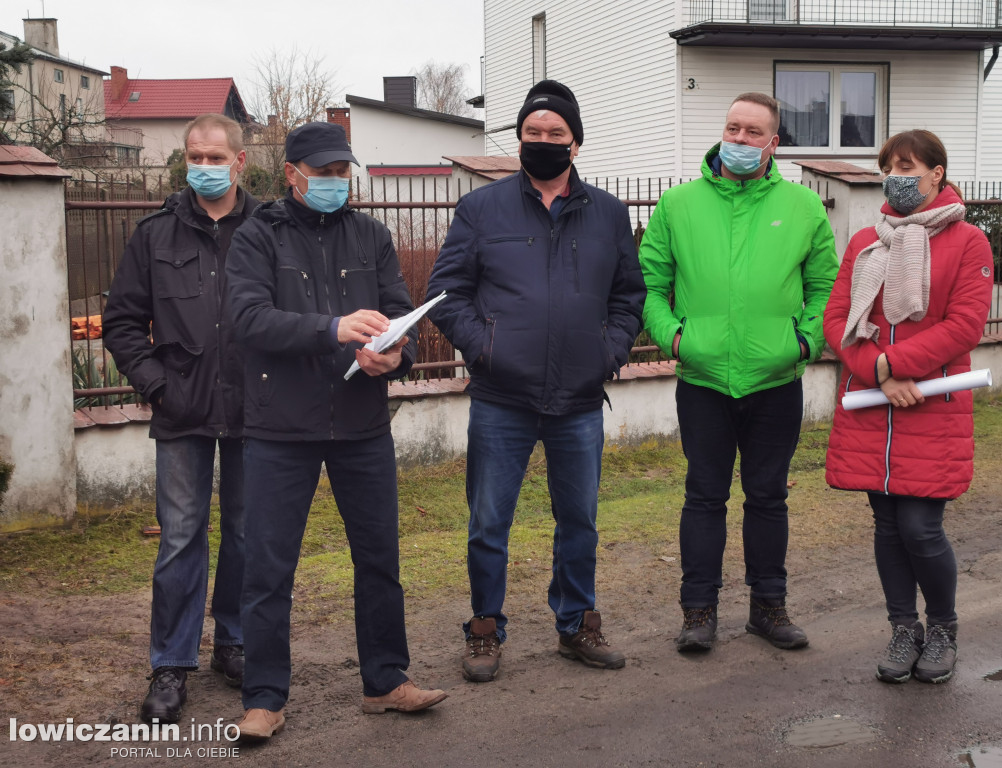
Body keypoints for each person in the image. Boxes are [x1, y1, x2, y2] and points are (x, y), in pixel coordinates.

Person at [225, 121, 446, 741]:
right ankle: (264, 698)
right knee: (268, 568)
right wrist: (331, 329)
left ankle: (386, 681)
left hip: (362, 424)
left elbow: (399, 313)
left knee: (379, 558)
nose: (334, 183)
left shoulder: (371, 234)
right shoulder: (257, 236)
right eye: (321, 173)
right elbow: (248, 319)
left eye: (341, 172)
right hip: (279, 428)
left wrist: (391, 355)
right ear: (292, 175)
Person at [426, 80, 646, 682]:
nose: (543, 142)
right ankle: (484, 629)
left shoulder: (608, 213)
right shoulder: (481, 208)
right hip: (503, 398)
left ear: (576, 143)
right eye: (533, 133)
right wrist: (485, 345)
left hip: (577, 399)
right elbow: (445, 295)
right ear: (519, 138)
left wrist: (607, 352)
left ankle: (576, 624)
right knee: (488, 524)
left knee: (579, 521)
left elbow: (629, 296)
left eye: (556, 134)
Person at [639, 93, 838, 654]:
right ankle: (698, 612)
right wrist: (675, 337)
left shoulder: (803, 207)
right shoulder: (679, 205)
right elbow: (650, 285)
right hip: (703, 380)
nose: (741, 140)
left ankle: (768, 608)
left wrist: (804, 341)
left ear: (773, 143)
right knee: (703, 497)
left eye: (754, 133)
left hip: (775, 380)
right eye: (733, 128)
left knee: (768, 497)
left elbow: (825, 286)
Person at [823, 130, 993, 685]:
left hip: (931, 405)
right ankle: (903, 628)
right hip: (874, 404)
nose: (897, 175)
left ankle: (942, 628)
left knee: (921, 528)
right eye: (889, 166)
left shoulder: (969, 241)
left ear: (937, 174)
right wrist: (875, 370)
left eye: (908, 166)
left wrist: (893, 365)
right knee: (888, 527)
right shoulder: (866, 242)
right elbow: (837, 319)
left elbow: (964, 325)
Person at [103, 113, 257, 723]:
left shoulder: (267, 229)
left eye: (216, 157)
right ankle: (170, 663)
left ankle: (237, 642)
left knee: (248, 533)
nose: (205, 166)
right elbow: (121, 323)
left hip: (254, 410)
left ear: (239, 162)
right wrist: (156, 385)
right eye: (196, 156)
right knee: (181, 538)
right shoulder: (154, 235)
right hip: (182, 410)